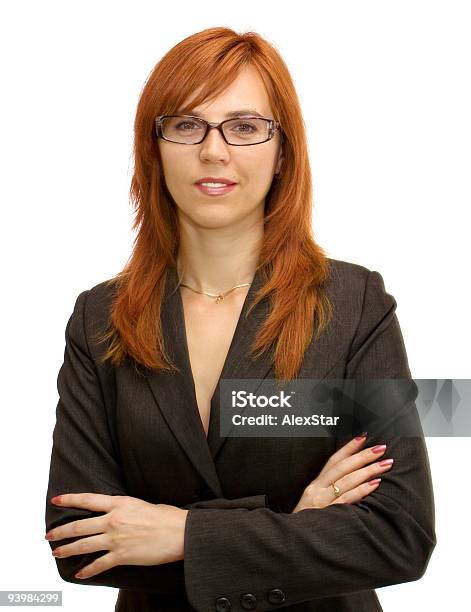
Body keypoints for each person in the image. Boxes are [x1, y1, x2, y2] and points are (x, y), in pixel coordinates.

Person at [45, 27, 436, 612]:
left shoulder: (355, 304)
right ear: (154, 146)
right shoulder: (98, 318)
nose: (214, 151)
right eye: (186, 125)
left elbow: (399, 534)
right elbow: (78, 546)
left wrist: (181, 536)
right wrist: (295, 527)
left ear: (283, 152)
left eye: (246, 128)